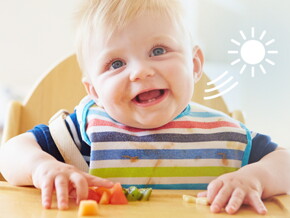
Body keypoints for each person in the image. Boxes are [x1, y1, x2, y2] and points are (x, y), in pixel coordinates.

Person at [0, 0, 289, 215]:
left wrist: (255, 178)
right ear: (94, 92)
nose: (140, 71)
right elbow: (11, 152)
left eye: (158, 51)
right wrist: (43, 168)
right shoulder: (84, 133)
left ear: (194, 64)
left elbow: (284, 164)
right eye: (116, 64)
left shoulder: (223, 136)